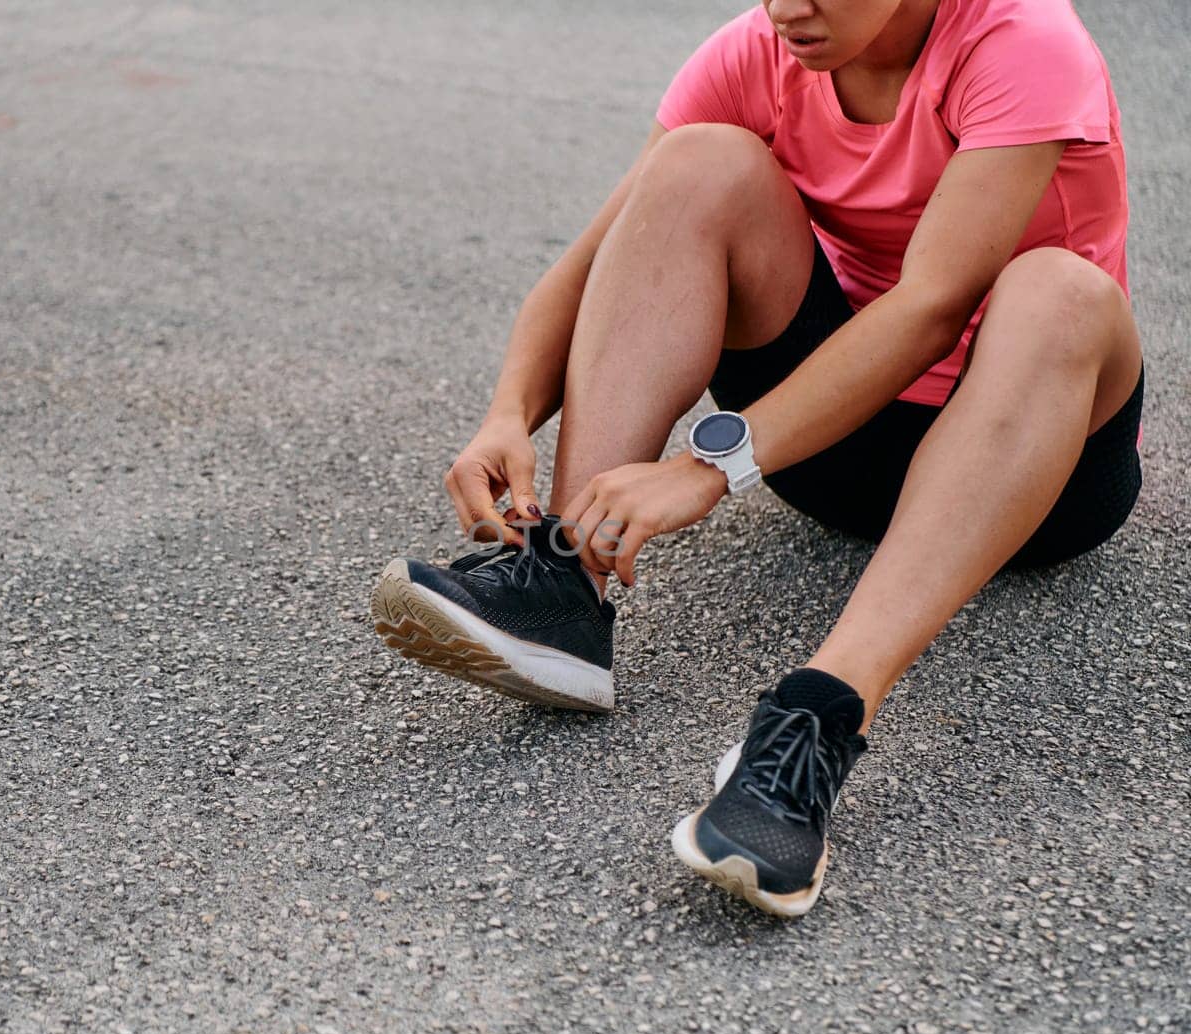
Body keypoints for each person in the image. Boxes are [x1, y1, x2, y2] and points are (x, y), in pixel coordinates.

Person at [369, 0, 1142, 917]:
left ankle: (816, 719)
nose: (787, 7)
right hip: (838, 447)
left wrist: (707, 467)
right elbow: (593, 260)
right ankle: (561, 582)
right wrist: (509, 411)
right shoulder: (756, 52)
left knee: (1062, 290)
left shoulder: (1021, 42)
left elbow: (935, 303)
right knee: (696, 161)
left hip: (1033, 477)